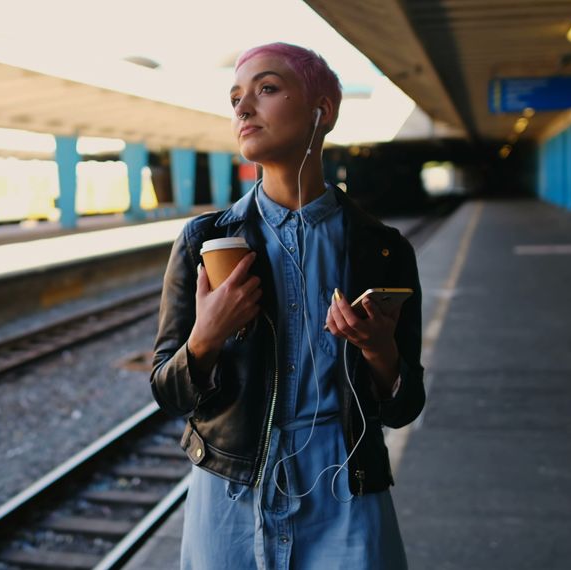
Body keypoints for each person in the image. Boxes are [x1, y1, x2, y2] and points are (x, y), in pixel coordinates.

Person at [149, 42, 425, 569]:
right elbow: (168, 390)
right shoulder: (205, 241)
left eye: (267, 89)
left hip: (347, 482)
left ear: (323, 112)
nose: (243, 108)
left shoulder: (382, 248)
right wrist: (206, 337)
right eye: (235, 98)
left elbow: (405, 404)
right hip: (232, 485)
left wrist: (380, 352)